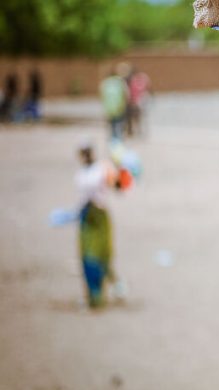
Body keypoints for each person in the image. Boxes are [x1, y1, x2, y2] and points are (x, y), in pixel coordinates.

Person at [76, 142, 127, 308]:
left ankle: (105, 290)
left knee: (101, 255)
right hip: (87, 216)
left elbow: (120, 185)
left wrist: (118, 172)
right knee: (89, 256)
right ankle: (96, 294)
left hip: (99, 215)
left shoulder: (101, 169)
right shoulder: (84, 173)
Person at [99, 66, 129, 140]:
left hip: (109, 107)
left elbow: (102, 96)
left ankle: (113, 140)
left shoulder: (105, 83)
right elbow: (126, 94)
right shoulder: (120, 82)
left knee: (112, 125)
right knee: (119, 123)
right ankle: (119, 139)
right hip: (119, 107)